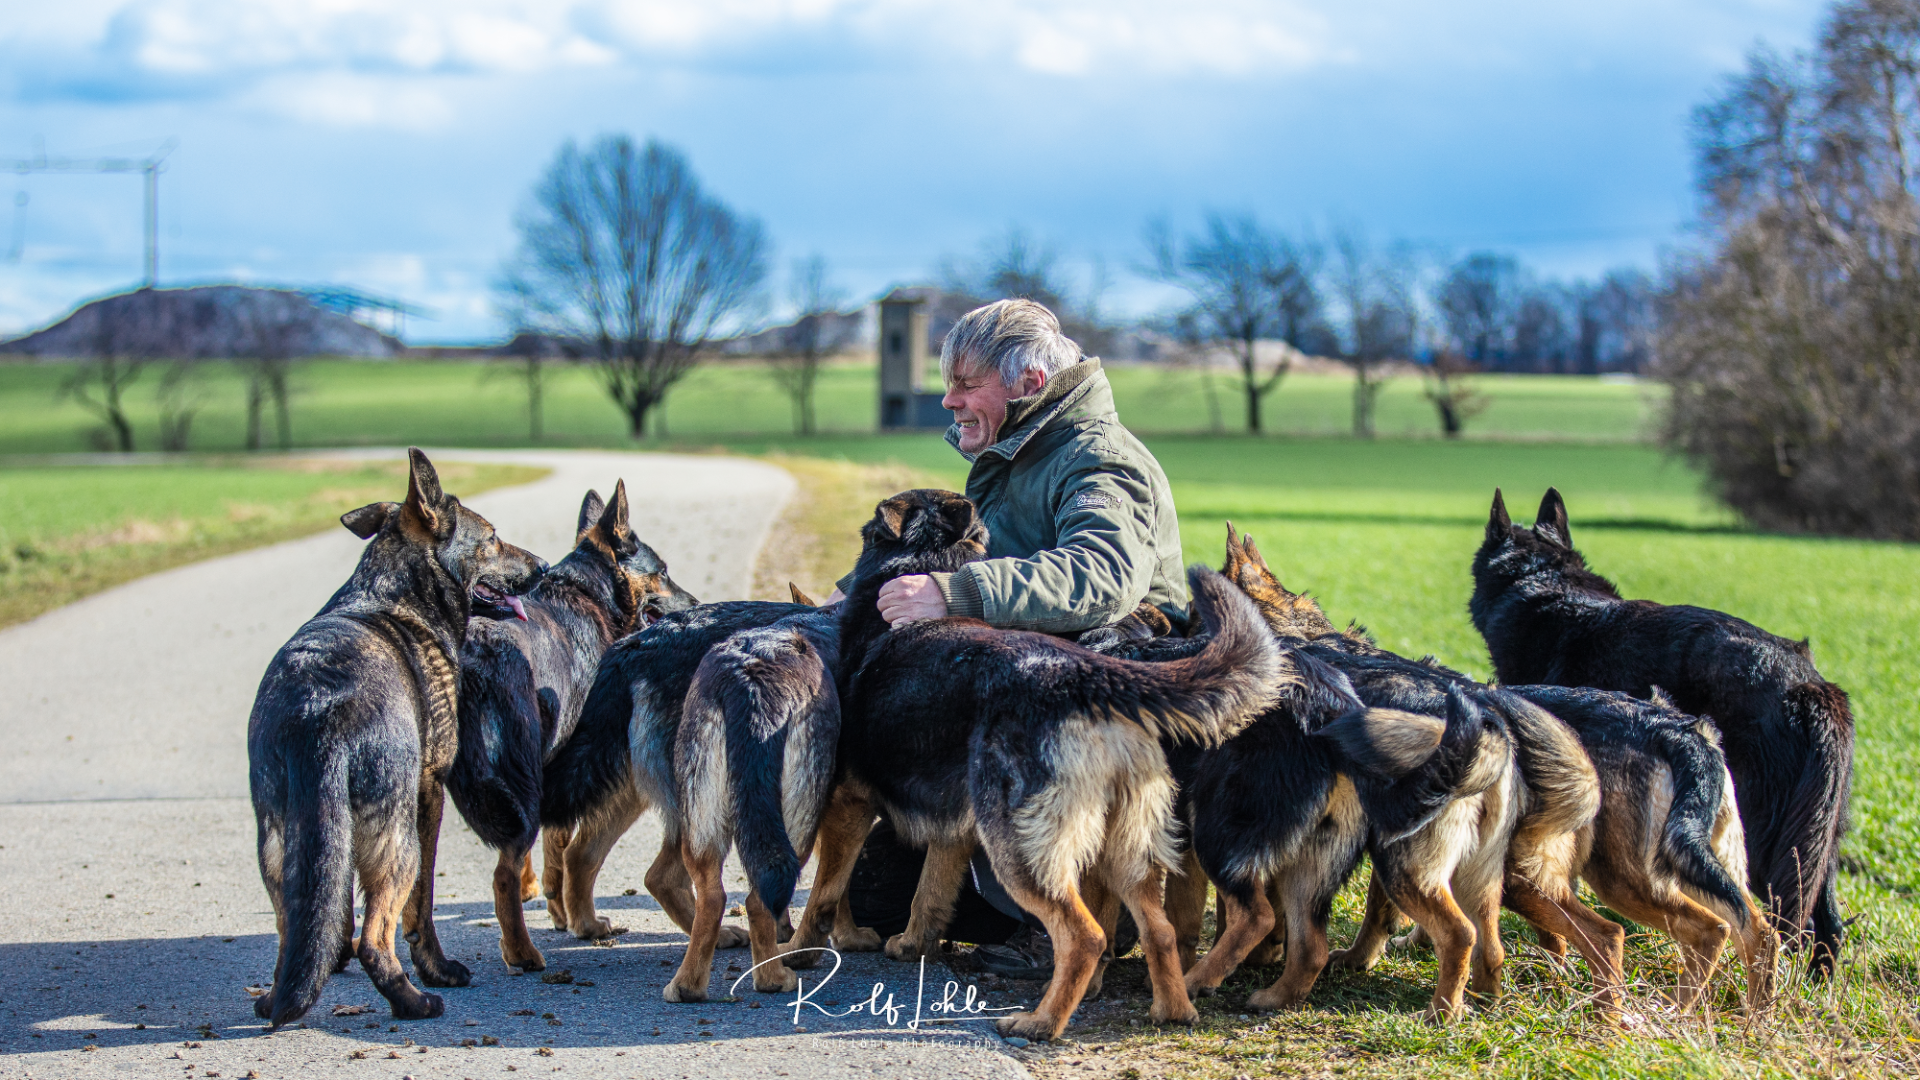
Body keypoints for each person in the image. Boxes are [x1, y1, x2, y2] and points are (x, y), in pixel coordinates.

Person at [833, 298, 1187, 977]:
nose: (948, 399)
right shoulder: (1019, 450)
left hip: (1088, 702)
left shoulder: (1097, 459)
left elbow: (1103, 574)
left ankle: (1065, 921)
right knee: (872, 899)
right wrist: (860, 595)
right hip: (1014, 679)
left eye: (966, 383)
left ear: (1027, 383)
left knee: (984, 870)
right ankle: (1006, 893)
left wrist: (953, 594)